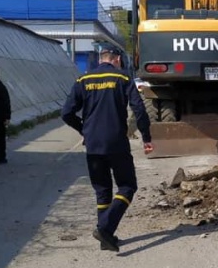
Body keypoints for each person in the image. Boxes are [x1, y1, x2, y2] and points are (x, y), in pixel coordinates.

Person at [61, 47, 154, 252]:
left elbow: (66, 113)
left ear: (101, 59)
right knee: (128, 186)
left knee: (102, 190)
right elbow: (139, 109)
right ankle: (104, 229)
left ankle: (106, 236)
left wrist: (83, 130)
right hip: (116, 143)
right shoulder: (122, 78)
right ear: (117, 60)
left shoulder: (82, 80)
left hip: (93, 145)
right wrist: (146, 137)